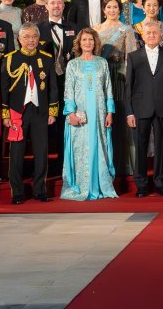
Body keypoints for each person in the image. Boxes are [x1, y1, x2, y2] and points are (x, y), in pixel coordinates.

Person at [1, 24, 59, 204]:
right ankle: (17, 192)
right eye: (26, 37)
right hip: (18, 111)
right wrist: (5, 114)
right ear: (19, 39)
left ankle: (39, 190)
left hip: (40, 111)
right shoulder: (10, 59)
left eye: (34, 36)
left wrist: (53, 111)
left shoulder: (46, 59)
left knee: (41, 152)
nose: (30, 40)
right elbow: (4, 88)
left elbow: (53, 88)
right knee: (17, 153)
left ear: (38, 39)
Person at [60, 28, 117, 201]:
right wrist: (70, 113)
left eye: (90, 39)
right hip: (80, 114)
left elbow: (108, 89)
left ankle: (100, 185)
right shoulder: (73, 64)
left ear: (95, 42)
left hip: (99, 114)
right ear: (79, 43)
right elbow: (68, 91)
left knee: (99, 146)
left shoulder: (102, 63)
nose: (87, 43)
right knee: (81, 148)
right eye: (84, 40)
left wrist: (110, 112)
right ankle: (82, 185)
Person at [125, 20, 163, 196]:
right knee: (140, 147)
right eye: (148, 33)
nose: (152, 35)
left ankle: (160, 182)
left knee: (162, 146)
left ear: (161, 35)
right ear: (143, 36)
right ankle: (141, 184)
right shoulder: (133, 57)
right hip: (140, 107)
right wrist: (129, 112)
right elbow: (129, 86)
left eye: (155, 32)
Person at [96, 0, 141, 176]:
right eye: (109, 7)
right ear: (104, 10)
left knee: (120, 118)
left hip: (119, 78)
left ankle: (123, 163)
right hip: (100, 77)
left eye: (115, 7)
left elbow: (131, 56)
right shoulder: (96, 29)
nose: (112, 10)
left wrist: (129, 79)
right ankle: (103, 163)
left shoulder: (126, 29)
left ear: (120, 10)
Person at [38, 0, 80, 77]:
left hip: (69, 74)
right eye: (52, 3)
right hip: (45, 74)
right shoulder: (38, 28)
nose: (56, 6)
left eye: (59, 3)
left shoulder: (74, 27)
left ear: (63, 6)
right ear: (46, 6)